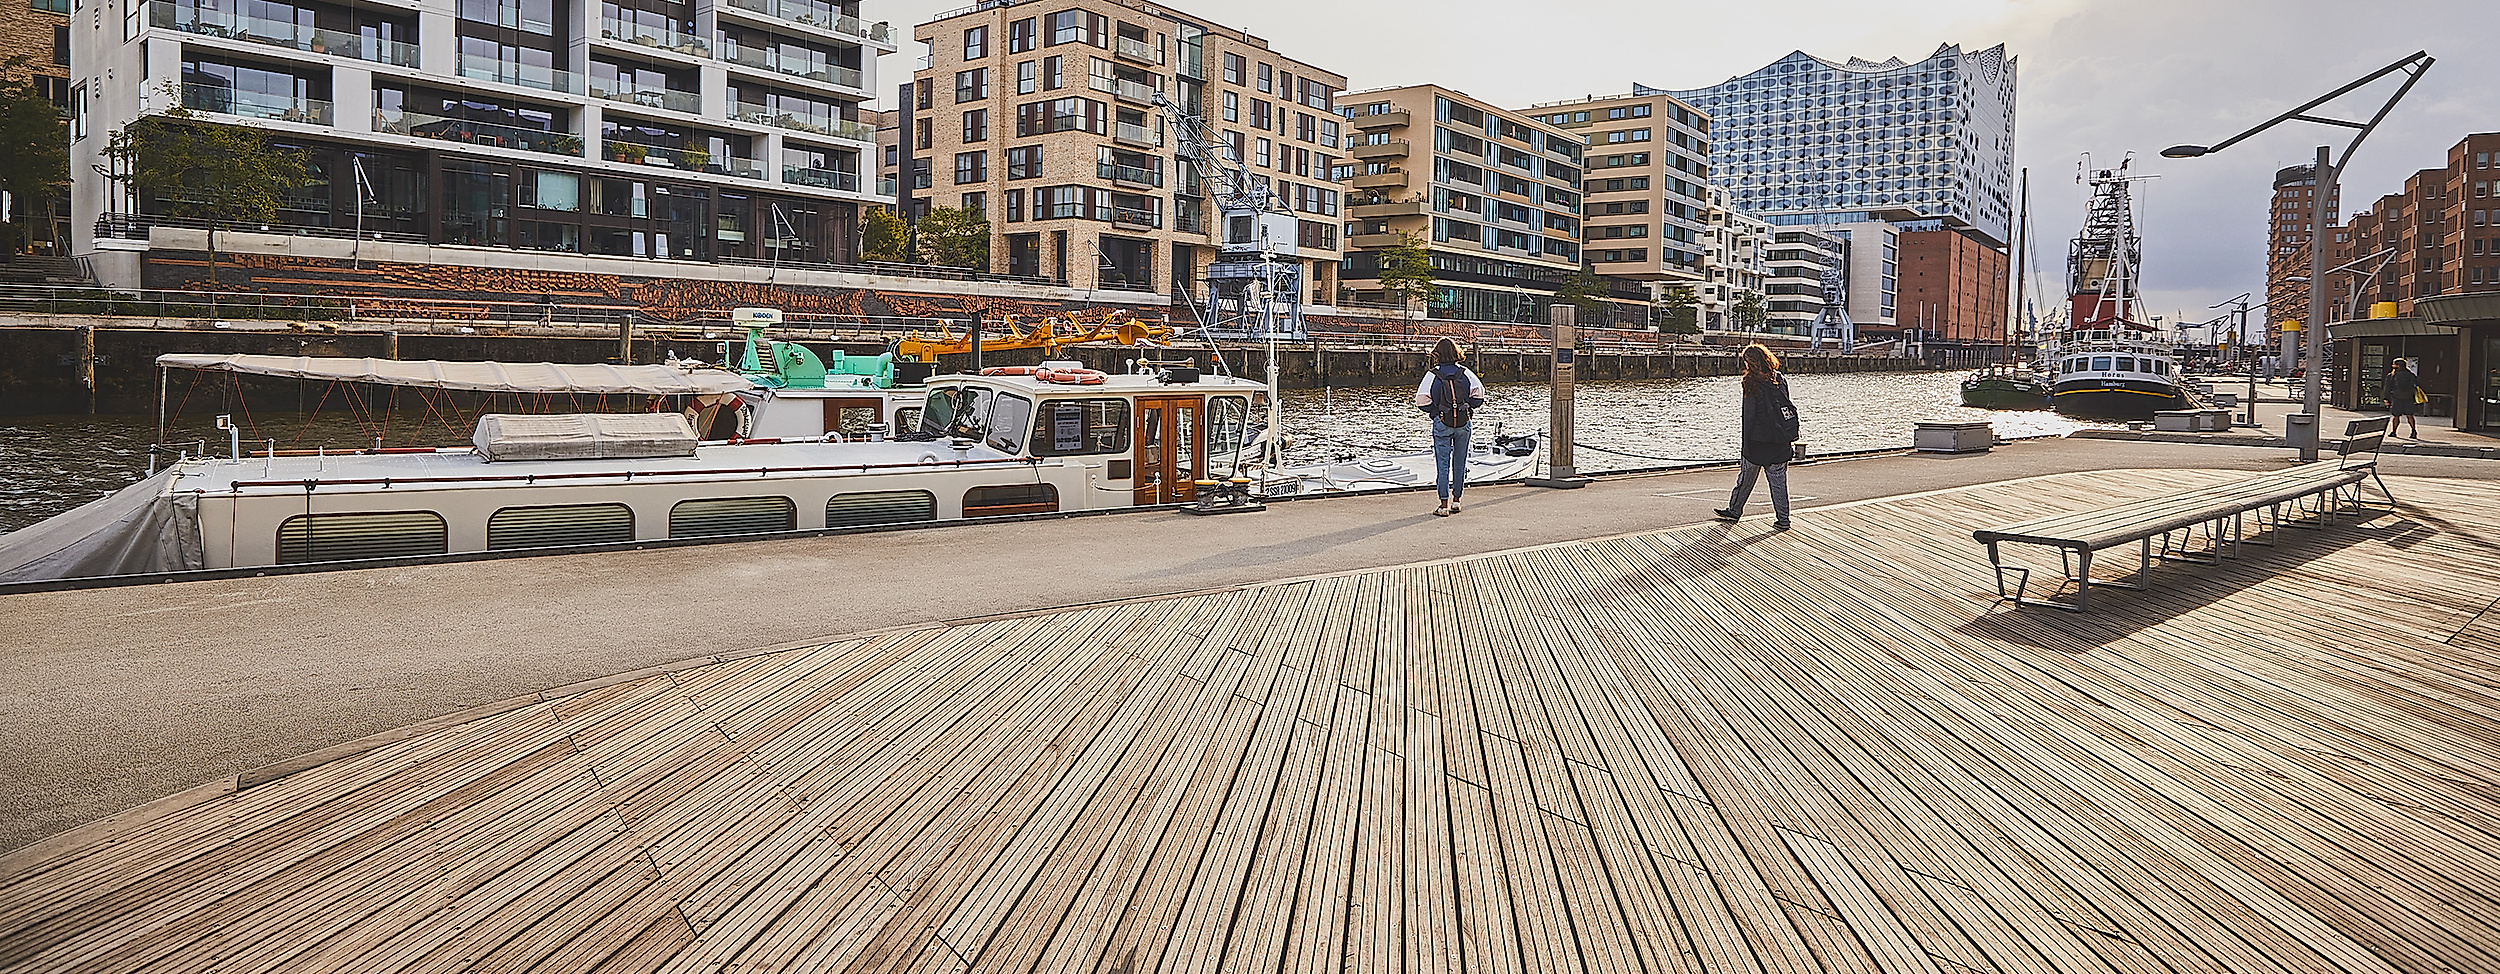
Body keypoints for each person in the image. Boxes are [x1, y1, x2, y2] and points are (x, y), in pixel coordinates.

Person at [1716, 343, 1799, 530]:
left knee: (1745, 479)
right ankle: (1783, 519)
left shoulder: (1750, 382)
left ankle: (1734, 510)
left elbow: (1749, 415)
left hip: (1757, 441)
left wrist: (1745, 444)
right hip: (1779, 440)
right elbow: (1785, 406)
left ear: (1749, 362)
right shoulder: (1779, 379)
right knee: (1778, 483)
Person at [1414, 336, 1486, 516]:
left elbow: (1421, 400)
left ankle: (1443, 504)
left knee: (1443, 463)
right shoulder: (1465, 372)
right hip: (1463, 422)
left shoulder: (1432, 374)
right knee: (1460, 462)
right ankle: (1457, 501)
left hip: (1442, 422)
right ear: (1456, 352)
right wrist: (1468, 406)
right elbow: (1479, 395)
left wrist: (1435, 412)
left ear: (1437, 354)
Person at [2383, 358, 2422, 438]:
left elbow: (2387, 388)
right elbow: (2418, 383)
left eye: (2394, 364)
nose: (2392, 365)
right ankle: (2413, 431)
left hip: (2397, 397)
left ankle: (2394, 431)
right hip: (2409, 398)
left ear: (2397, 366)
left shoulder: (2391, 376)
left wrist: (2386, 398)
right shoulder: (2410, 375)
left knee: (2396, 416)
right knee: (2410, 415)